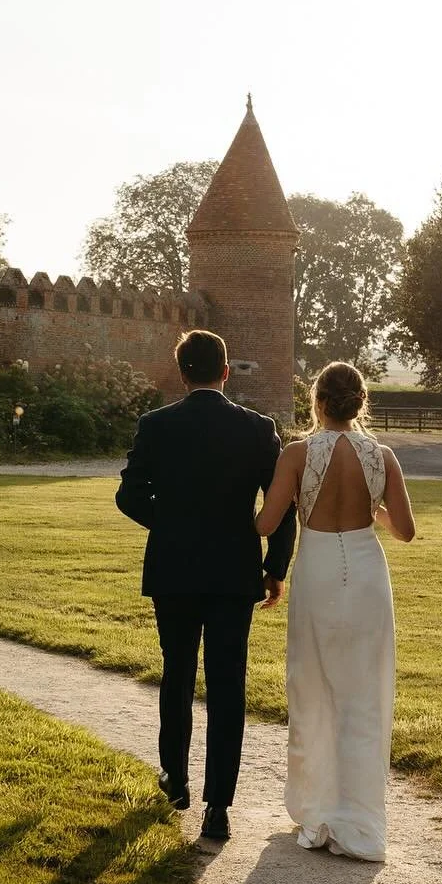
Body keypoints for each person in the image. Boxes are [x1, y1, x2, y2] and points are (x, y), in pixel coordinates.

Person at [116, 329, 296, 845]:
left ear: (181, 372)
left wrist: (168, 524)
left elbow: (128, 496)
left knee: (176, 674)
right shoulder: (258, 429)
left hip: (173, 569)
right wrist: (275, 566)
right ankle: (218, 806)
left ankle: (175, 781)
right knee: (226, 683)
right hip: (233, 570)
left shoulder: (156, 425)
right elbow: (281, 507)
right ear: (225, 371)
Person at [254, 361, 415, 861]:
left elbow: (265, 524)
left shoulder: (298, 453)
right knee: (364, 693)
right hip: (367, 569)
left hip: (319, 565)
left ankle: (318, 812)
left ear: (317, 402)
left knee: (315, 687)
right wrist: (373, 508)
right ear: (361, 402)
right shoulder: (382, 455)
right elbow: (405, 531)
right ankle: (359, 820)